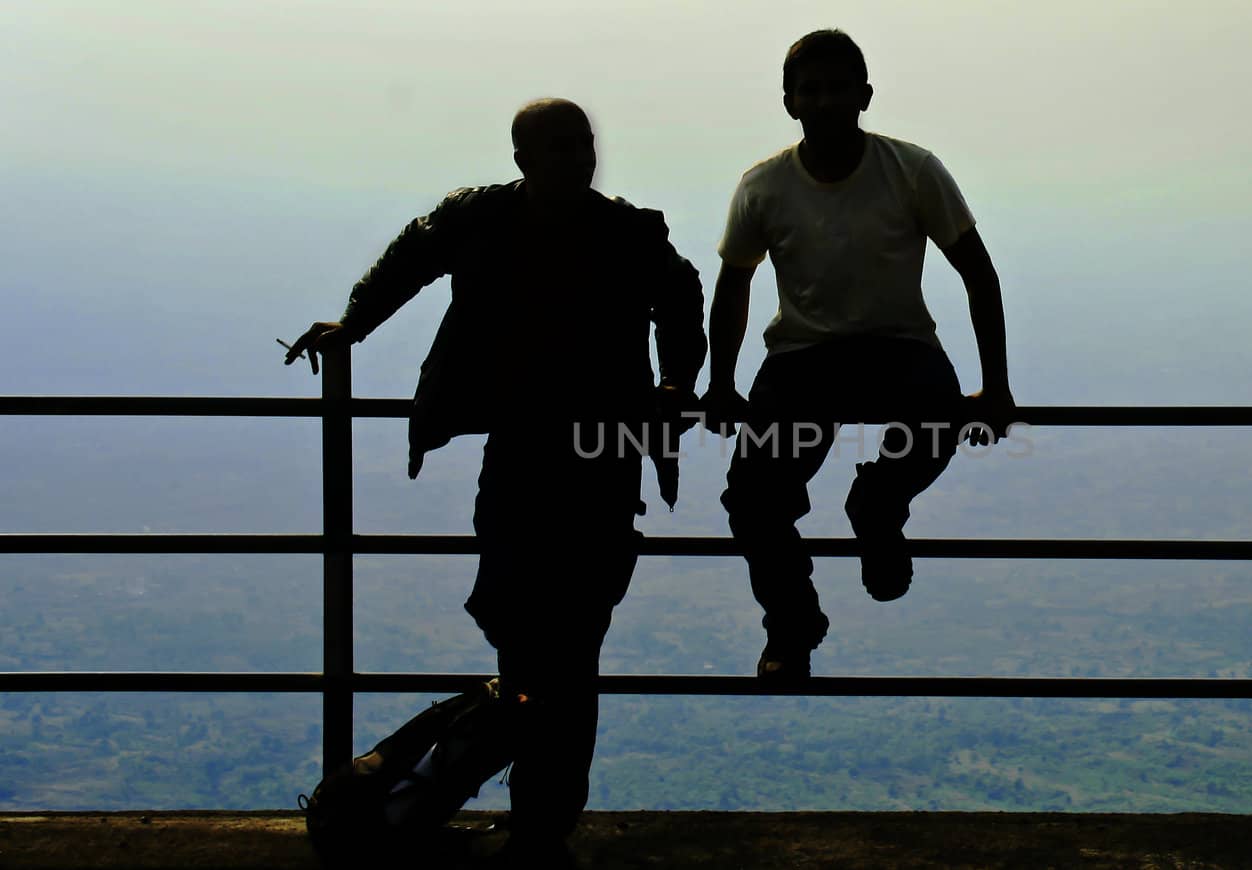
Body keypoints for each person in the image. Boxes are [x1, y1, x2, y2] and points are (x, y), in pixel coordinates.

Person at [283, 98, 705, 863]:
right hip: (524, 453)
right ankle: (531, 821)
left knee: (570, 647)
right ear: (522, 159)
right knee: (527, 637)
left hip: (598, 460)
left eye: (581, 144)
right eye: (555, 147)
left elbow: (681, 297)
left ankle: (536, 820)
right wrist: (354, 323)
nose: (575, 159)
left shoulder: (625, 231)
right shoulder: (479, 219)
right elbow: (408, 260)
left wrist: (677, 381)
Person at [701, 30, 1015, 682]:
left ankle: (878, 504)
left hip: (896, 346)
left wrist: (996, 387)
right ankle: (792, 628)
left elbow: (978, 274)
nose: (824, 101)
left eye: (837, 86)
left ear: (865, 94)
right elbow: (734, 284)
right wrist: (722, 383)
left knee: (937, 417)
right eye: (809, 89)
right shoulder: (764, 188)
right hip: (803, 356)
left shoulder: (912, 170)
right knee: (755, 499)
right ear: (789, 102)